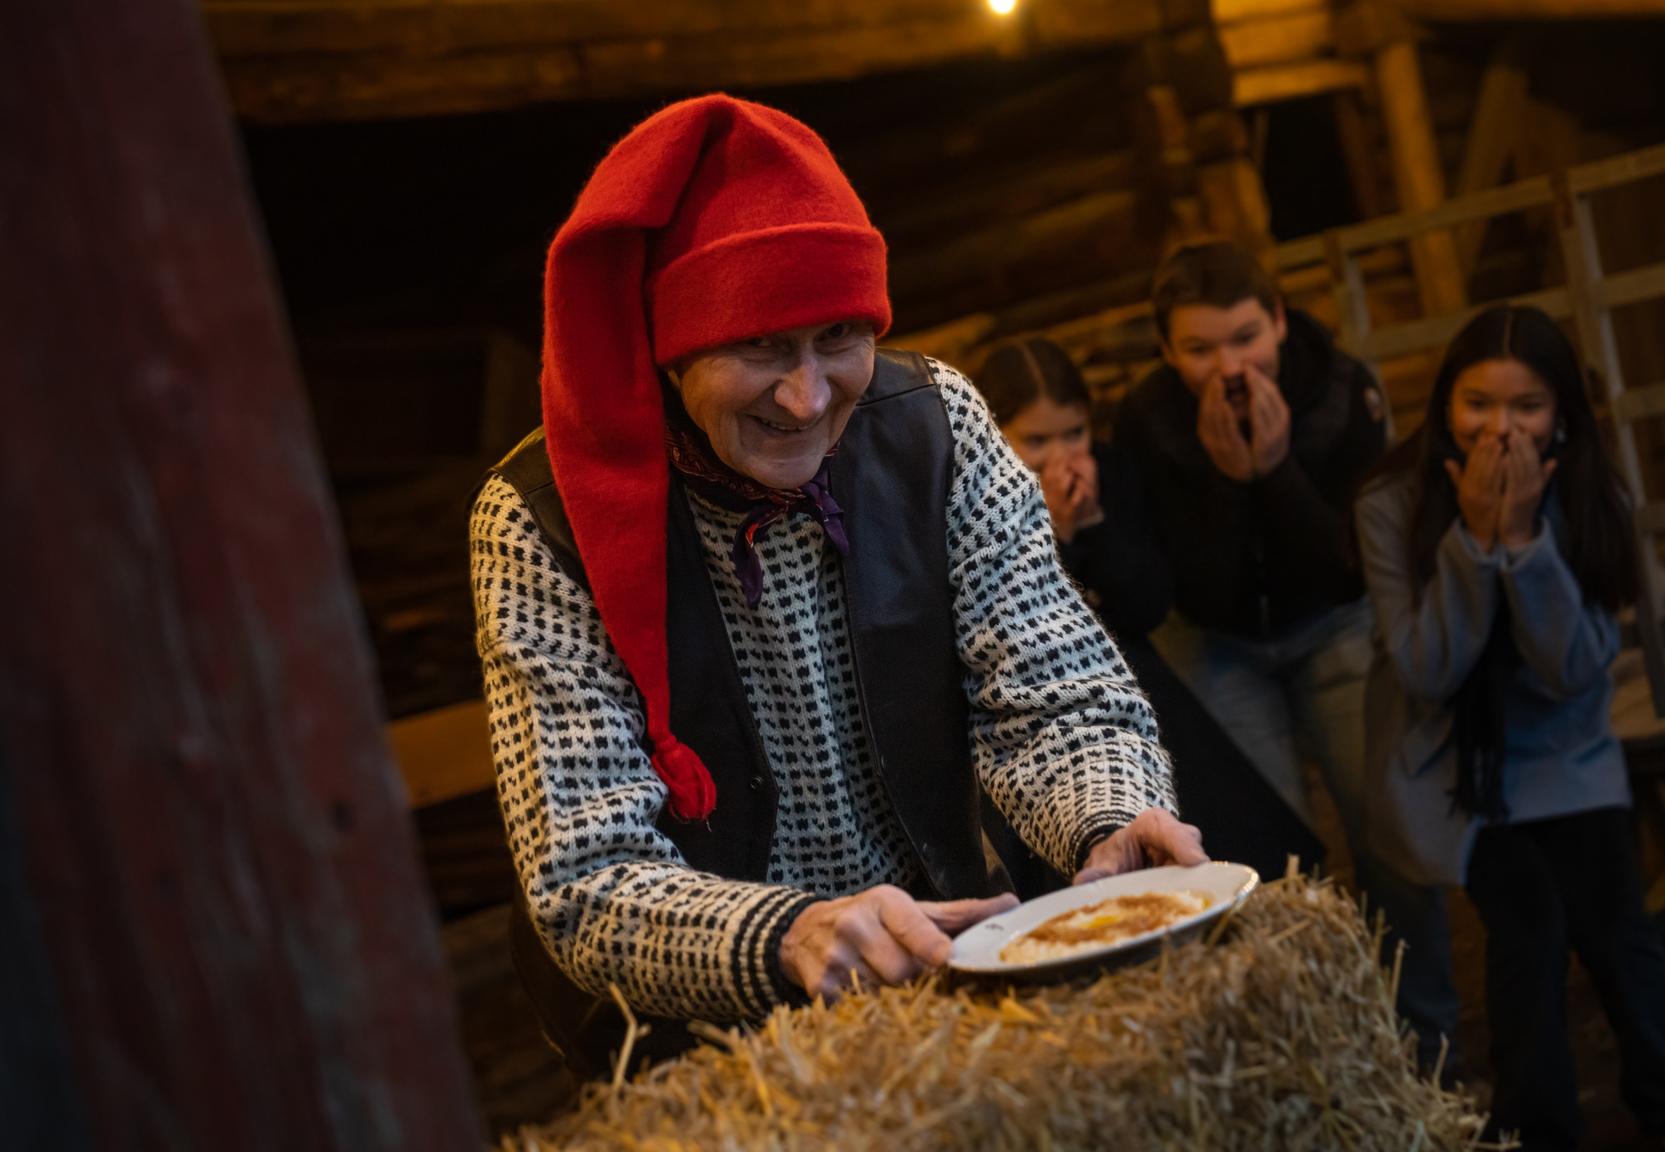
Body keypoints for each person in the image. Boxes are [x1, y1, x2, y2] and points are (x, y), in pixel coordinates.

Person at [468, 94, 1205, 1076]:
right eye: (759, 347)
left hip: (938, 959)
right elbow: (587, 872)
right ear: (667, 345)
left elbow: (1055, 692)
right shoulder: (539, 519)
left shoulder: (934, 429)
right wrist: (786, 935)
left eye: (836, 338)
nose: (807, 397)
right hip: (704, 1043)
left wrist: (1109, 819)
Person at [1353, 305, 1665, 1152]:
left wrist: (1523, 540)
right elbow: (1424, 670)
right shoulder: (1390, 502)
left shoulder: (1595, 491)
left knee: (1613, 918)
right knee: (1528, 927)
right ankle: (1538, 1130)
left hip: (1565, 746)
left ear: (1562, 411)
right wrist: (1472, 543)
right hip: (1454, 760)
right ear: (1444, 408)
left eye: (1526, 406)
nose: (1501, 428)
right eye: (1477, 404)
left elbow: (1576, 669)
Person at [1114, 239, 1459, 1058]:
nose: (1228, 365)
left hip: (1332, 624)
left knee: (1388, 836)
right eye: (1199, 349)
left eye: (1244, 338)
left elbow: (1352, 564)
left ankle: (1429, 1042)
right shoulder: (1148, 422)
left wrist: (1274, 474)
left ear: (1276, 321)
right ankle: (1316, 1053)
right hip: (1219, 642)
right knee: (1261, 862)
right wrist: (1230, 489)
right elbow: (1188, 586)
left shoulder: (1341, 390)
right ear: (1167, 351)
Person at [976, 338, 1325, 882]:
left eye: (1074, 433)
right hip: (1041, 699)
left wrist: (1093, 526)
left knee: (1224, 819)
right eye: (1036, 440)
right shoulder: (977, 500)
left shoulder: (1110, 473)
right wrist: (1056, 535)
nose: (1061, 454)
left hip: (1134, 678)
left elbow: (1147, 605)